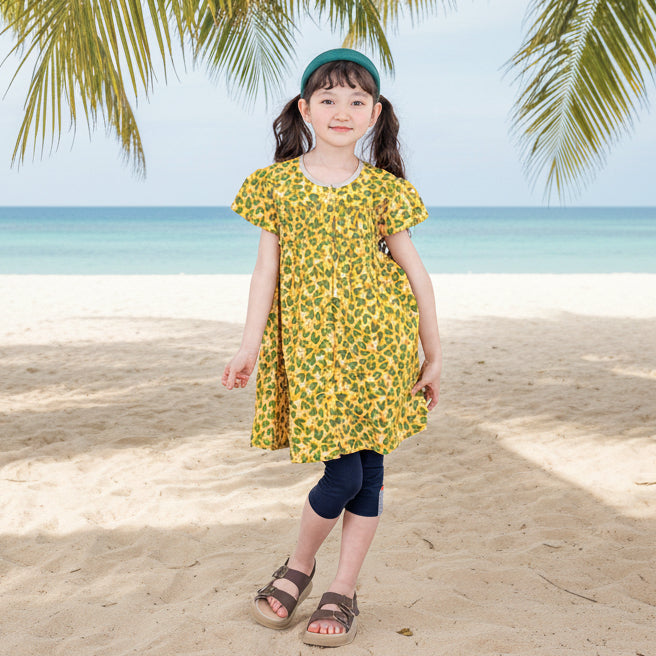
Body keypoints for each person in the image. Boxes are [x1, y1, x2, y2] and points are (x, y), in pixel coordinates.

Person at [221, 48, 442, 647]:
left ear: (374, 114)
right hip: (312, 354)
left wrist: (434, 353)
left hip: (380, 349)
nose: (342, 111)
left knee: (368, 473)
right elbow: (265, 273)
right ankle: (300, 565)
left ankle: (340, 588)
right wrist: (247, 346)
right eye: (328, 99)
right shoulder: (274, 185)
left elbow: (416, 274)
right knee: (341, 473)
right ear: (305, 109)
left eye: (356, 101)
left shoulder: (385, 190)